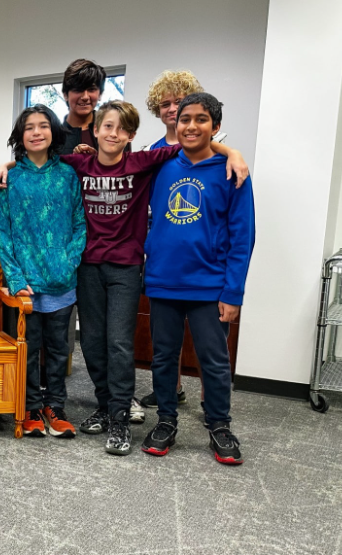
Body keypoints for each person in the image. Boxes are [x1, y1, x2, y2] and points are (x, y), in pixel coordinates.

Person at [0, 101, 248, 456]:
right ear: (94, 130)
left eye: (120, 128)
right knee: (93, 343)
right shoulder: (77, 164)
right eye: (106, 126)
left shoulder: (143, 163)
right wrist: (7, 164)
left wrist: (231, 151)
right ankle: (103, 402)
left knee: (119, 343)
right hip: (87, 267)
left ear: (130, 136)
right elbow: (40, 160)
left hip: (126, 267)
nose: (112, 133)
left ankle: (119, 418)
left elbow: (192, 143)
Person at [141, 93, 255, 464]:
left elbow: (243, 235)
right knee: (163, 358)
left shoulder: (230, 171)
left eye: (201, 119)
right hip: (163, 281)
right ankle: (167, 421)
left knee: (214, 361)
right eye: (184, 119)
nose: (191, 125)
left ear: (215, 126)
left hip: (210, 285)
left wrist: (233, 291)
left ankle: (219, 425)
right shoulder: (160, 162)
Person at [134, 70, 228, 415]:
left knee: (210, 349)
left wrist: (233, 153)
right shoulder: (154, 153)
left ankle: (211, 402)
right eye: (166, 105)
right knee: (165, 346)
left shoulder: (219, 152)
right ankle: (169, 394)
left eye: (179, 102)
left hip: (207, 270)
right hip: (166, 265)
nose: (173, 110)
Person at [0, 105, 86, 440]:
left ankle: (55, 408)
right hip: (25, 285)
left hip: (62, 281)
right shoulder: (9, 178)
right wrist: (16, 279)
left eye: (43, 126)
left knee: (59, 349)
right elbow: (3, 233)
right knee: (29, 349)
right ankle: (31, 407)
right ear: (20, 135)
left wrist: (69, 262)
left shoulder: (67, 176)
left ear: (53, 133)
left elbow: (79, 224)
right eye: (29, 127)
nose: (36, 132)